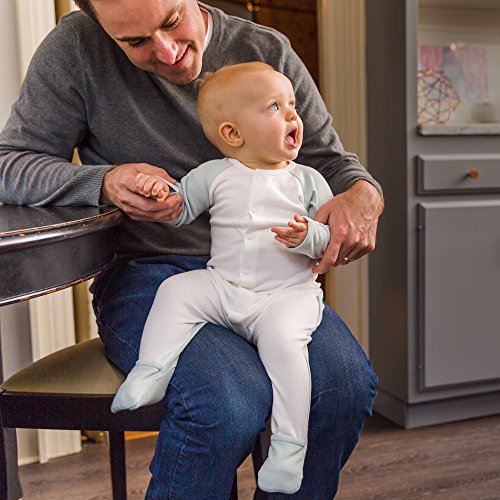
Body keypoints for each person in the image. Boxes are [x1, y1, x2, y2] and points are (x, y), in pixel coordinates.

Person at [0, 1, 382, 497]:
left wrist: (365, 194)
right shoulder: (76, 48)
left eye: (171, 21)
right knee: (225, 400)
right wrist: (105, 181)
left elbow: (331, 163)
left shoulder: (265, 49)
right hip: (148, 272)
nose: (167, 52)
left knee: (344, 386)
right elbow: (11, 164)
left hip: (276, 279)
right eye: (135, 42)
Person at [112, 61, 334, 494]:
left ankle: (288, 448)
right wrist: (161, 193)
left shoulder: (307, 180)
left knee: (285, 348)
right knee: (177, 290)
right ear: (233, 134)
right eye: (275, 107)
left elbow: (326, 240)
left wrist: (309, 235)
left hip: (285, 297)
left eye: (292, 104)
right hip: (225, 286)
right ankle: (152, 369)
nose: (293, 115)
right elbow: (180, 209)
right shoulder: (215, 174)